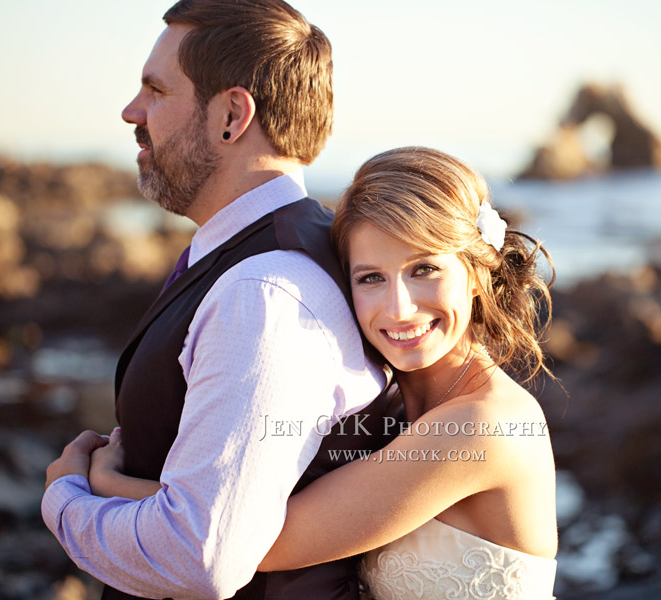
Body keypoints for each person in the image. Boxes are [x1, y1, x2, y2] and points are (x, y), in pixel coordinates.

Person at [90, 147, 559, 599]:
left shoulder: (483, 427)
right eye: (371, 278)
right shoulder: (391, 408)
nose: (399, 308)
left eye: (424, 269)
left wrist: (103, 486)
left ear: (476, 274)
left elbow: (246, 543)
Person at [41, 1, 390, 599]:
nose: (131, 111)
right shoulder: (261, 256)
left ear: (232, 115)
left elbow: (199, 555)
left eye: (155, 90)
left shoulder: (267, 295)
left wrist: (66, 499)